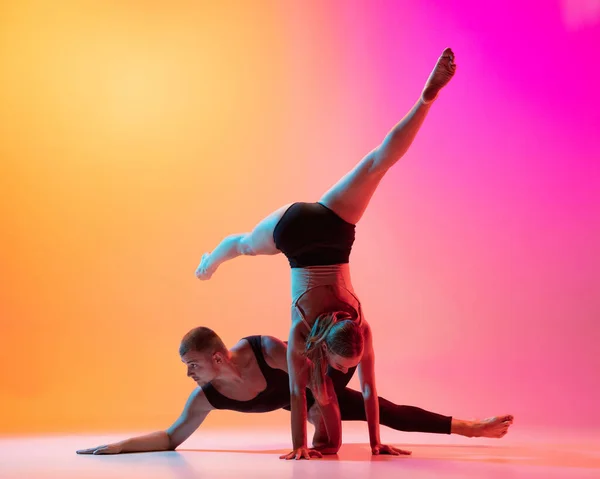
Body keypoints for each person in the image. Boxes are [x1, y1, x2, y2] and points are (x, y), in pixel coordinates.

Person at [195, 49, 458, 459]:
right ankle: (210, 260)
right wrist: (300, 445)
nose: (340, 372)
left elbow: (362, 388)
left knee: (374, 165)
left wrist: (375, 442)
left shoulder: (358, 327)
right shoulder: (303, 332)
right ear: (334, 344)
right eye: (339, 365)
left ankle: (426, 98)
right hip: (298, 235)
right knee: (370, 167)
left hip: (329, 230)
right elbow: (299, 393)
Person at [77, 327, 513, 455]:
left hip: (318, 377)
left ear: (214, 358)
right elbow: (172, 437)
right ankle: (470, 427)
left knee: (379, 406)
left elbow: (309, 373)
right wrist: (118, 447)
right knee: (369, 412)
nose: (188, 374)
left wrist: (313, 419)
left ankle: (473, 427)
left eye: (191, 365)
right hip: (303, 406)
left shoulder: (263, 349)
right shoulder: (207, 397)